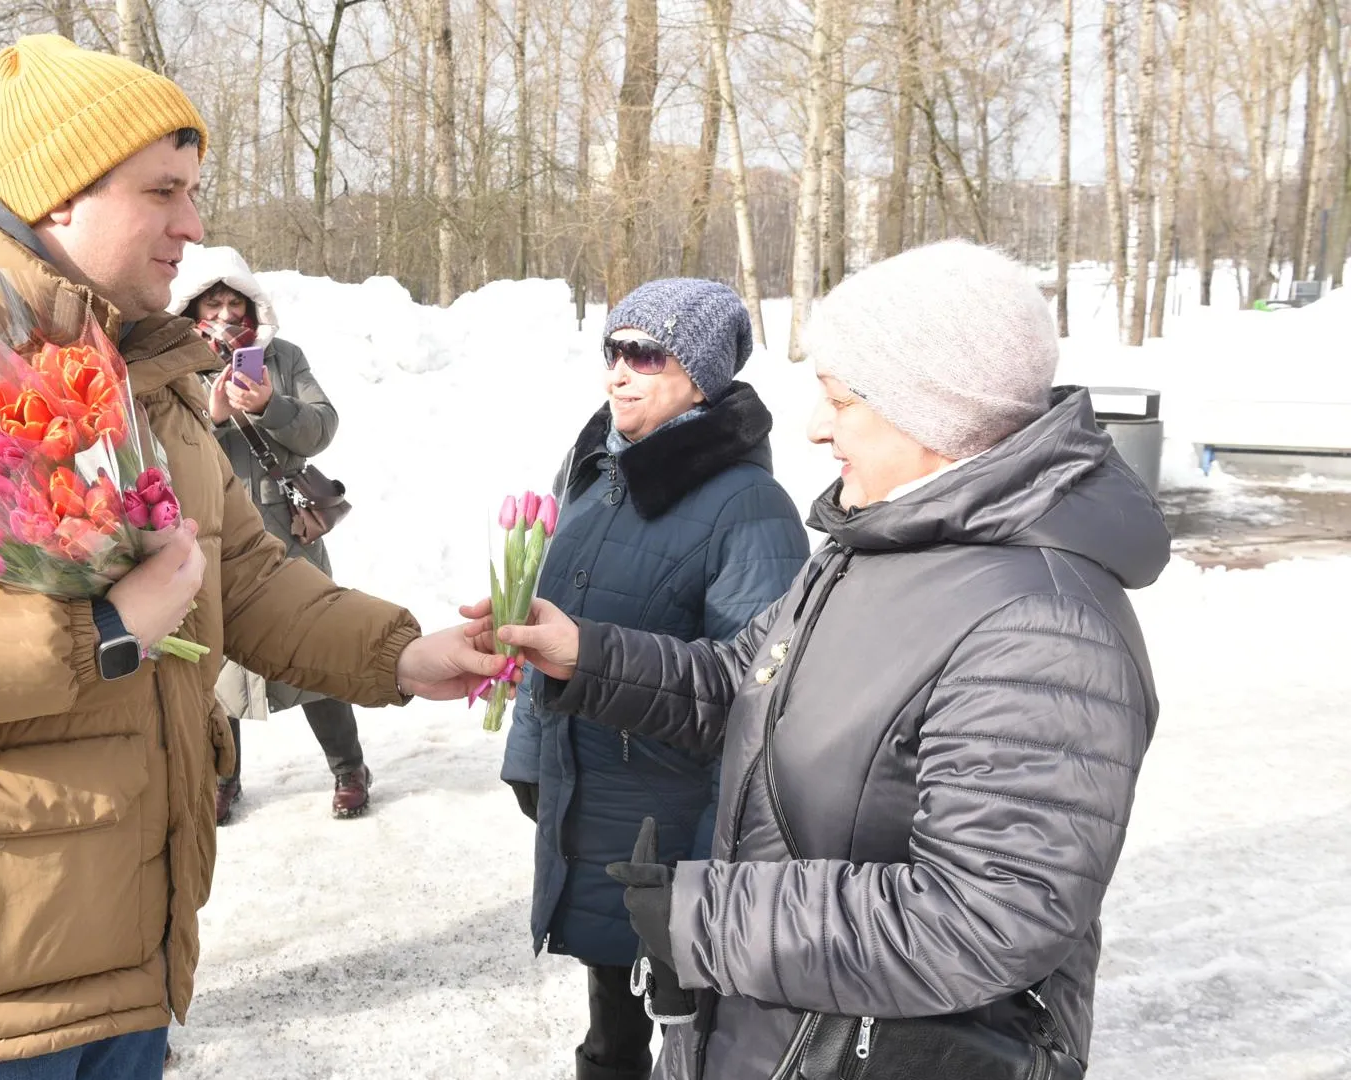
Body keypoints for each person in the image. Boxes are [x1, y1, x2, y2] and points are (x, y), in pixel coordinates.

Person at [0, 38, 503, 1079]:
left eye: (192, 191)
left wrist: (400, 654)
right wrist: (101, 629)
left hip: (132, 954)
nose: (193, 226)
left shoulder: (145, 360)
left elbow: (239, 572)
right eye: (163, 191)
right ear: (60, 197)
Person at [479, 241, 1168, 1080]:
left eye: (840, 398)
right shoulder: (876, 544)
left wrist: (709, 919)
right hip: (784, 1028)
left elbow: (984, 919)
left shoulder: (1040, 627)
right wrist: (582, 656)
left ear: (933, 410)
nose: (813, 425)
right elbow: (744, 684)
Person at [497, 280, 807, 1080]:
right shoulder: (596, 472)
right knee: (611, 1033)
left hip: (672, 830)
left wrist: (715, 864)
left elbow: (757, 703)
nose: (619, 372)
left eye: (646, 354)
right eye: (614, 349)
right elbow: (552, 627)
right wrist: (529, 755)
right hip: (591, 801)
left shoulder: (752, 509)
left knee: (694, 1040)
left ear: (701, 376)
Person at [166, 246, 374, 824]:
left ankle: (349, 768)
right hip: (213, 535)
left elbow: (322, 426)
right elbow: (162, 448)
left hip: (288, 534)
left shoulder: (283, 357)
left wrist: (268, 405)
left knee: (315, 649)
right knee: (219, 659)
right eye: (213, 303)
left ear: (251, 304)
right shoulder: (175, 363)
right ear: (194, 307)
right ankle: (223, 777)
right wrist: (211, 419)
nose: (225, 314)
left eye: (234, 303)